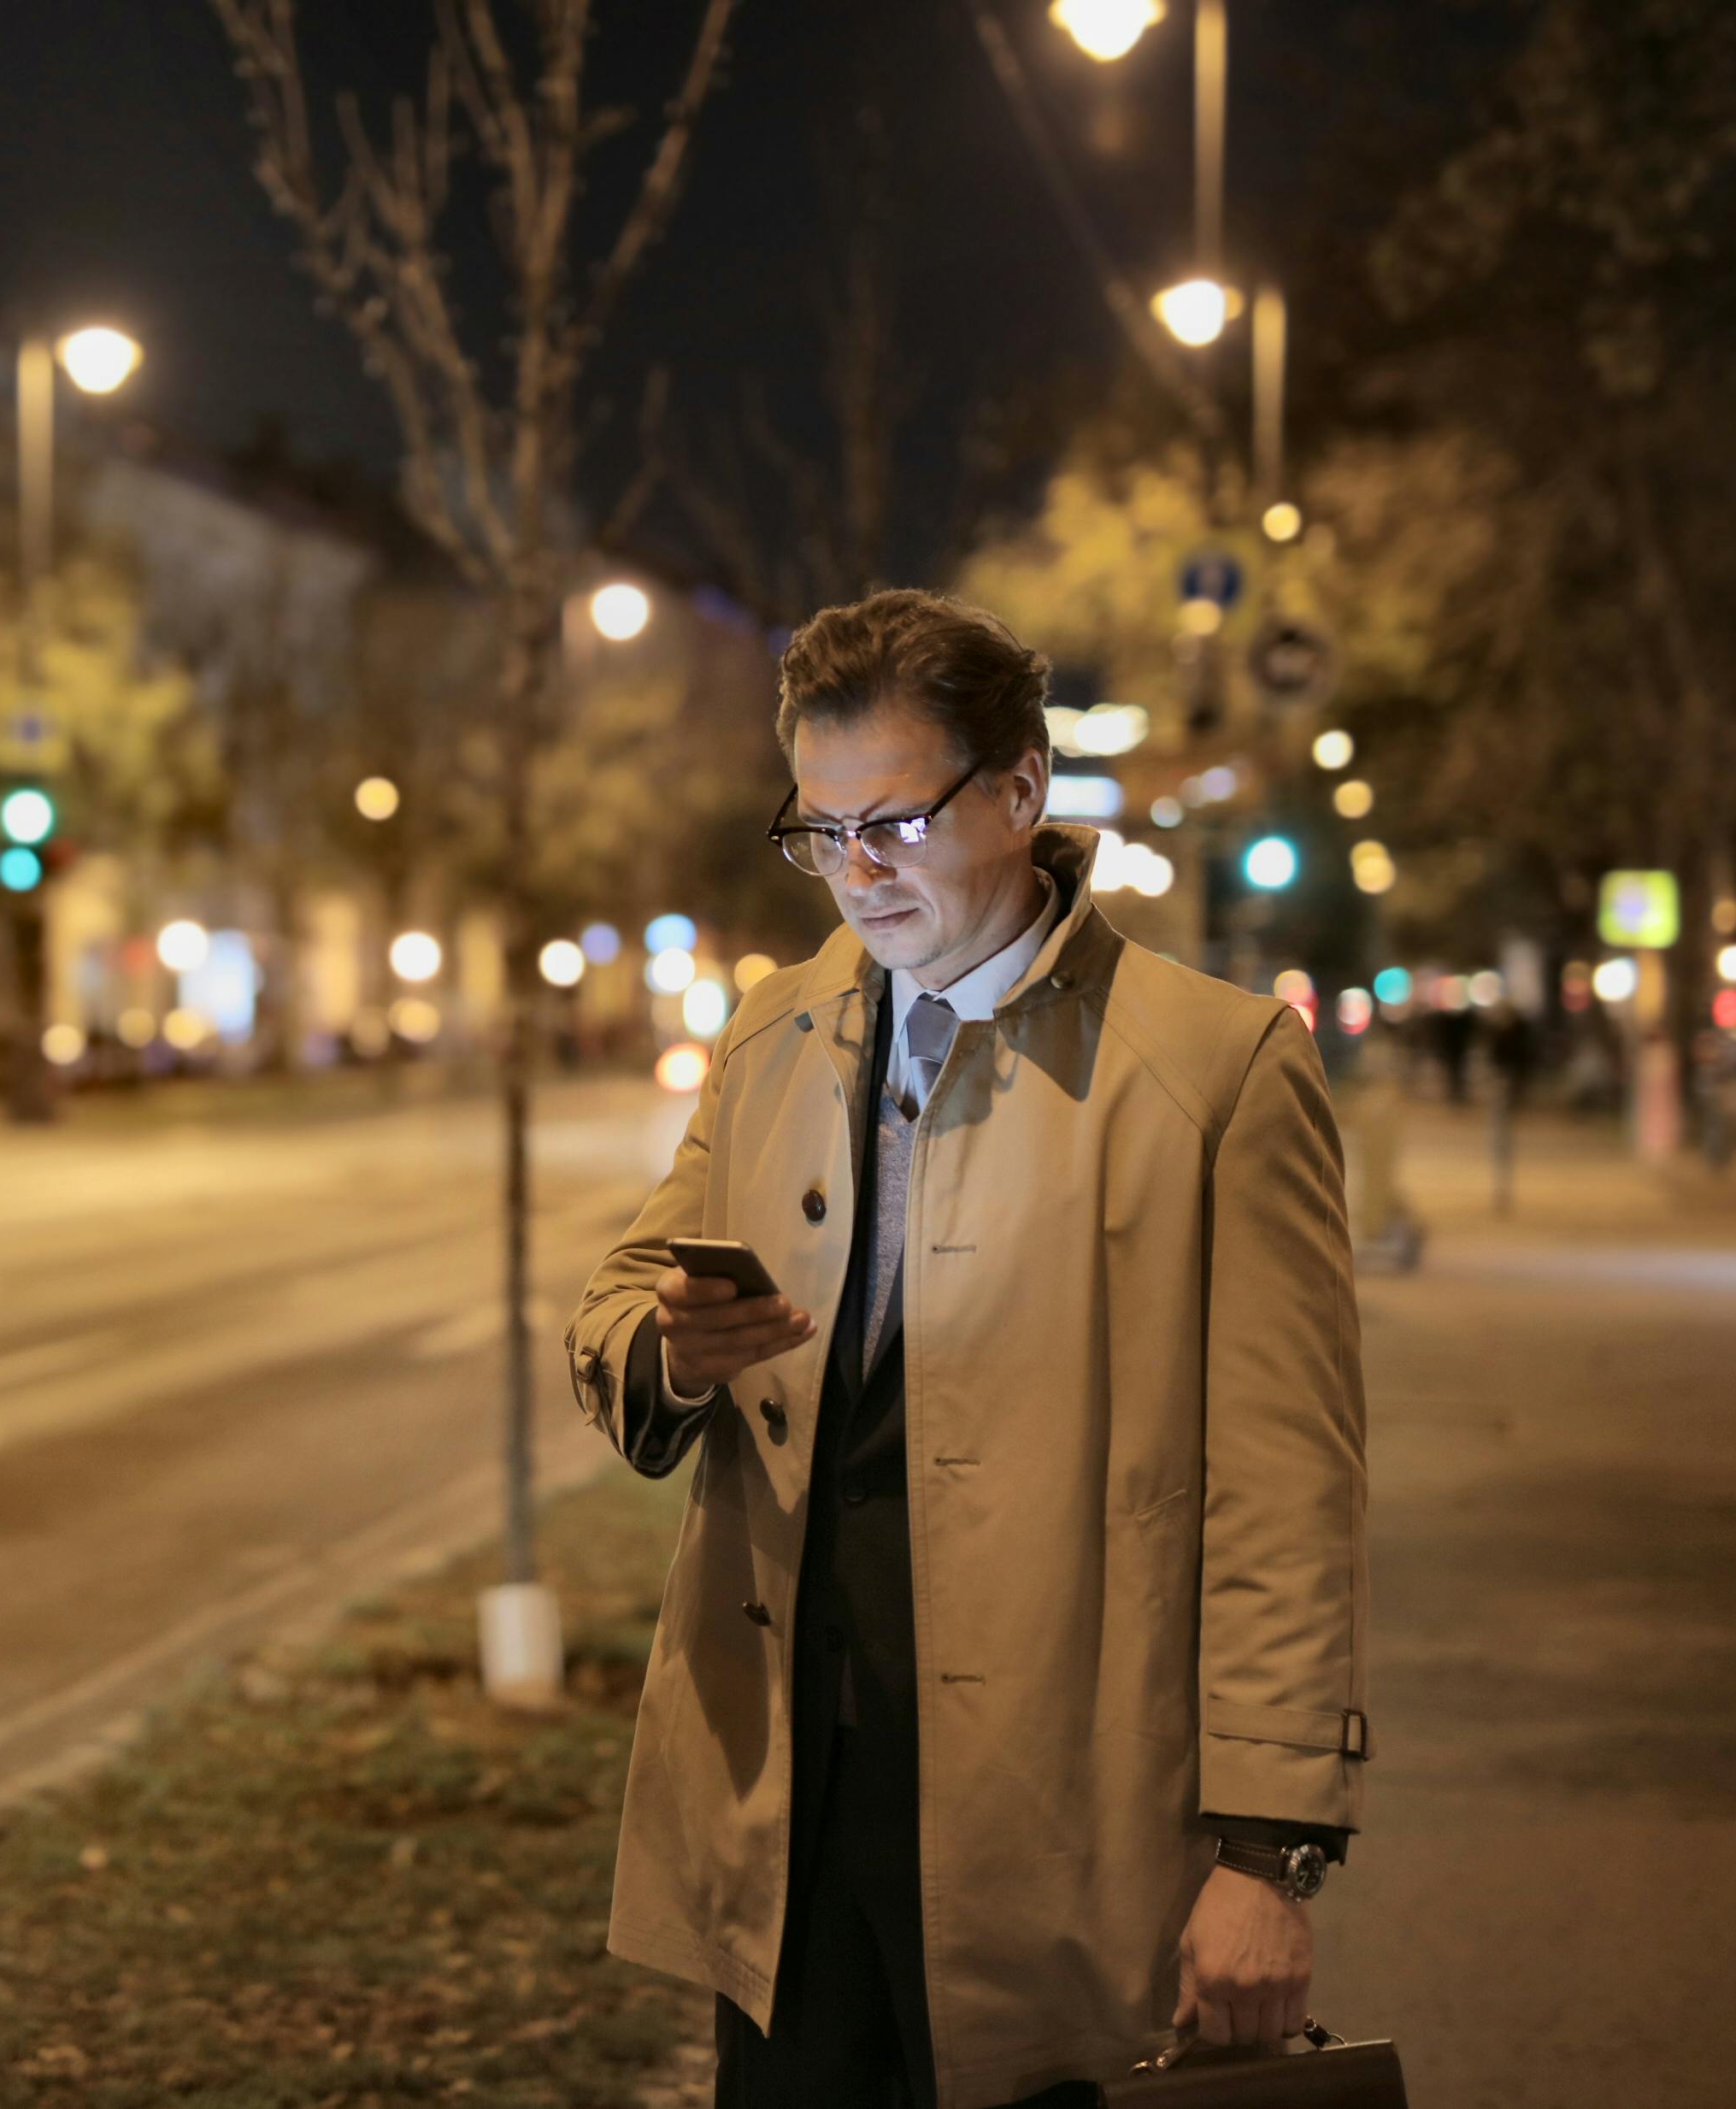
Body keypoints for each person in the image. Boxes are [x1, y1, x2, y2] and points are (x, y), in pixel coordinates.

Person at [564, 589, 1370, 2109]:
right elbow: (613, 1308)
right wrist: (678, 1352)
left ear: (1019, 788)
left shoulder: (1219, 1071)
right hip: (787, 1794)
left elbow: (1288, 1497)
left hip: (1056, 1817)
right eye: (819, 830)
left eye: (895, 824)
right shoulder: (774, 1034)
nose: (856, 874)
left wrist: (1267, 1853)